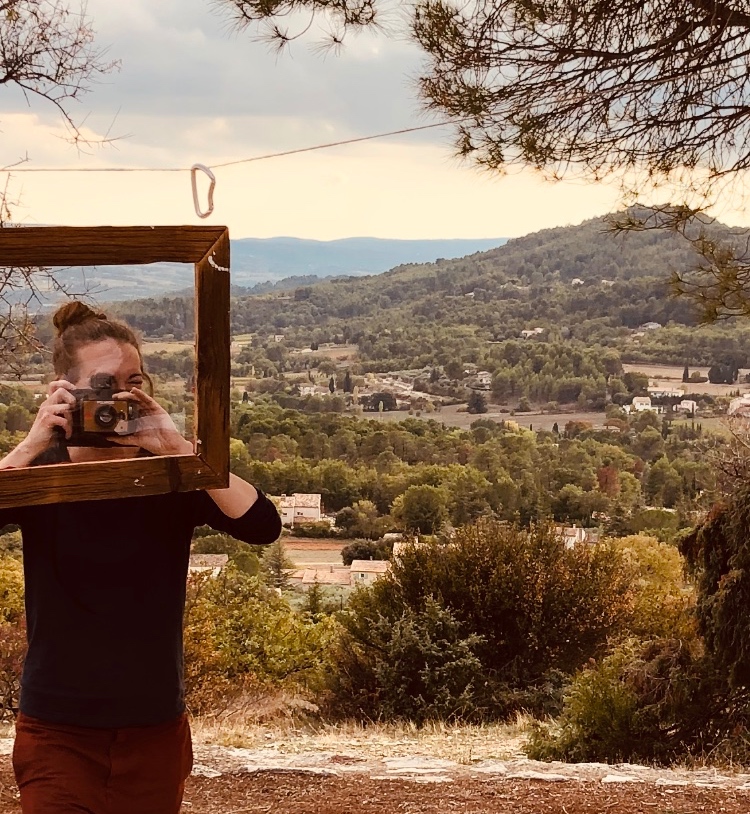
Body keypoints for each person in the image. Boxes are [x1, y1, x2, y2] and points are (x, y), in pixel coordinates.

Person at [0, 302, 282, 814]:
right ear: (64, 389)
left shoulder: (169, 474)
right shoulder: (41, 475)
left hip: (153, 728)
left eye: (135, 381)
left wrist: (178, 448)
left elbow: (262, 525)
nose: (122, 397)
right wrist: (27, 448)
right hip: (58, 729)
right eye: (106, 384)